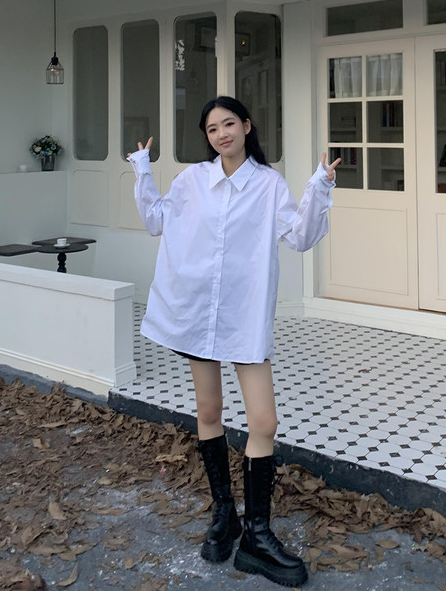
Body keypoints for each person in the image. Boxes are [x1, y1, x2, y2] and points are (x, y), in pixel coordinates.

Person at [127, 96, 339, 588]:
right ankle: (225, 514)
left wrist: (320, 187)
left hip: (243, 316)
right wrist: (141, 169)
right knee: (208, 412)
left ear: (246, 126)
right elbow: (157, 220)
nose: (221, 134)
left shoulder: (268, 184)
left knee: (264, 421)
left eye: (229, 124)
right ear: (207, 137)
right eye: (212, 128)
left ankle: (257, 536)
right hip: (198, 312)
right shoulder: (192, 180)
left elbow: (300, 236)